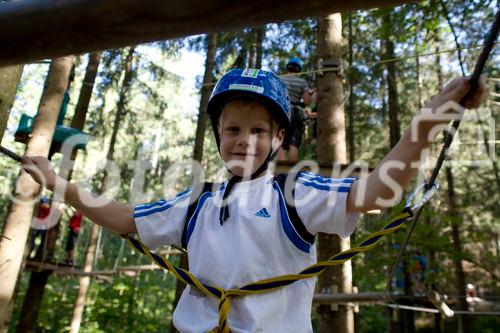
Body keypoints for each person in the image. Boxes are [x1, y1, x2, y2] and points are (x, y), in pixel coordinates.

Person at [21, 68, 487, 332]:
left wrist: (432, 116)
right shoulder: (197, 200)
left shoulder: (295, 191)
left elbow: (376, 193)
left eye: (258, 130)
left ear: (279, 137)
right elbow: (124, 217)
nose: (244, 140)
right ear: (219, 135)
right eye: (233, 129)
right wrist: (61, 184)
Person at [277, 57, 314, 162]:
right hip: (298, 113)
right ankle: (292, 175)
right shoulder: (302, 82)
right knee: (294, 144)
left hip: (283, 111)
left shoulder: (280, 79)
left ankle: (281, 174)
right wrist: (311, 96)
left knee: (281, 144)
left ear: (287, 67)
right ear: (299, 69)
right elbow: (306, 102)